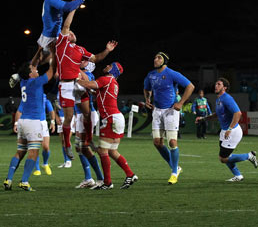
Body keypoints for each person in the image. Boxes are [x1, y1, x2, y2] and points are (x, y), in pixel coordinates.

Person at [56, 8, 118, 160]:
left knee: (87, 113)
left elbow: (96, 58)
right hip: (66, 85)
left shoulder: (80, 49)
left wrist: (107, 50)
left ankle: (88, 140)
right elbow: (66, 26)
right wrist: (73, 9)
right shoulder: (61, 45)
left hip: (78, 84)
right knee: (69, 117)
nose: (71, 33)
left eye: (72, 32)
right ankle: (67, 145)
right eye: (69, 32)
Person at [9, 0, 94, 88]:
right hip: (51, 38)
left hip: (53, 35)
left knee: (68, 44)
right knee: (49, 62)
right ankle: (62, 86)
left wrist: (75, 3)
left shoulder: (51, 0)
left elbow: (67, 7)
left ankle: (20, 76)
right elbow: (67, 7)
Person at [77, 62, 138, 190]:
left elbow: (90, 84)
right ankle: (130, 174)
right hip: (115, 117)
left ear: (114, 70)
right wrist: (91, 90)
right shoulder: (113, 82)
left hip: (111, 118)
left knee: (103, 151)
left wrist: (76, 80)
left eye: (110, 65)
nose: (107, 65)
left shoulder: (106, 79)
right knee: (112, 151)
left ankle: (107, 182)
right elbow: (99, 93)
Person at [3, 48, 55, 191]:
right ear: (30, 73)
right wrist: (54, 56)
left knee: (20, 151)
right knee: (33, 152)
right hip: (33, 122)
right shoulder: (36, 82)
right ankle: (24, 181)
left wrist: (39, 50)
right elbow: (51, 72)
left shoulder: (24, 82)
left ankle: (8, 179)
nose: (36, 70)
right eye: (34, 69)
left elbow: (32, 64)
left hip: (22, 122)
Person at [143, 52, 195, 185]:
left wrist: (181, 103)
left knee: (172, 142)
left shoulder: (172, 73)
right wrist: (147, 98)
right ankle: (176, 167)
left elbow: (190, 86)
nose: (155, 59)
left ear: (164, 61)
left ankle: (173, 172)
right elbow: (146, 88)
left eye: (159, 58)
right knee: (157, 143)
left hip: (171, 111)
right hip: (157, 111)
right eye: (154, 57)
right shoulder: (151, 75)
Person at [195, 77, 258, 182]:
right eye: (216, 84)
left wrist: (230, 128)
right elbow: (217, 115)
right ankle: (238, 176)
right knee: (226, 156)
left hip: (232, 132)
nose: (216, 86)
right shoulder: (219, 99)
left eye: (219, 84)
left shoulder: (227, 98)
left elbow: (238, 113)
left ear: (224, 87)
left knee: (223, 158)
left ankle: (249, 156)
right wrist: (203, 119)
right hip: (225, 131)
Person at [74, 60, 104, 189]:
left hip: (89, 114)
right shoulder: (75, 73)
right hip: (80, 115)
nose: (80, 62)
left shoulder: (89, 76)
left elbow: (88, 83)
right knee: (79, 147)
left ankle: (100, 178)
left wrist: (76, 69)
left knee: (84, 147)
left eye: (84, 61)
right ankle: (88, 178)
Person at [14, 94, 55, 176]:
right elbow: (20, 110)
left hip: (43, 123)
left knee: (46, 147)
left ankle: (45, 164)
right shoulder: (28, 96)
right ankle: (37, 169)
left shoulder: (43, 97)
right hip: (32, 122)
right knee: (35, 147)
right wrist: (16, 123)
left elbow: (51, 110)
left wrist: (53, 122)